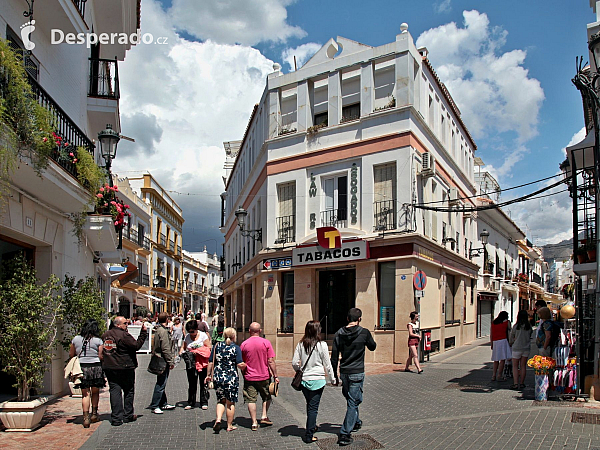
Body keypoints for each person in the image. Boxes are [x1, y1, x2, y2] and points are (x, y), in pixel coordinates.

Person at [331, 308, 377, 446]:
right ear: (359, 319)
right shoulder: (364, 332)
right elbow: (373, 347)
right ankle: (345, 433)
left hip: (344, 371)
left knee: (353, 399)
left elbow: (334, 357)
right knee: (353, 401)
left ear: (347, 318)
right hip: (357, 372)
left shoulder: (339, 333)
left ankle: (356, 421)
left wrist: (334, 376)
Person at [292, 320, 336, 444]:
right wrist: (332, 379)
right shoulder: (322, 345)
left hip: (305, 379)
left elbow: (294, 362)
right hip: (318, 380)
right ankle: (309, 434)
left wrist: (300, 371)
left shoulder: (301, 344)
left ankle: (312, 425)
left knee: (310, 405)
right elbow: (328, 364)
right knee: (313, 408)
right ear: (317, 331)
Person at [102, 316, 148, 426]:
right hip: (125, 366)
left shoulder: (105, 335)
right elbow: (136, 345)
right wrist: (143, 334)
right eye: (125, 323)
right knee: (128, 391)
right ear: (118, 325)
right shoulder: (123, 335)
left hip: (110, 366)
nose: (127, 325)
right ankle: (127, 415)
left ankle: (116, 418)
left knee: (114, 391)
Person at [205, 328, 246, 432]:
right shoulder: (235, 348)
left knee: (220, 400)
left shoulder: (216, 347)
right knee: (230, 403)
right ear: (234, 336)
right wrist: (245, 366)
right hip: (231, 378)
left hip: (218, 377)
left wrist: (208, 375)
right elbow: (239, 364)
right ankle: (229, 425)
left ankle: (218, 419)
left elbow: (210, 362)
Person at [240, 322, 279, 431]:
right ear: (260, 331)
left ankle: (253, 422)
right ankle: (264, 416)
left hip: (249, 376)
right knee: (266, 396)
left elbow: (242, 362)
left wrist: (243, 373)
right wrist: (275, 375)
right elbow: (271, 361)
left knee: (251, 399)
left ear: (249, 331)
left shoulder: (244, 344)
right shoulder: (266, 343)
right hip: (264, 376)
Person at [70, 319, 105, 428]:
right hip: (95, 367)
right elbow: (101, 356)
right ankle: (94, 414)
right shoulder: (98, 340)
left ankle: (86, 418)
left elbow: (72, 354)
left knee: (85, 394)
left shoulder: (76, 339)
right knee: (95, 392)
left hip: (82, 368)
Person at [180, 319, 211, 410]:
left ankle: (204, 402)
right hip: (191, 363)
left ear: (196, 329)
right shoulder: (187, 337)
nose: (191, 333)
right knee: (192, 383)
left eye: (192, 331)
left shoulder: (203, 335)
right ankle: (191, 402)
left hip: (202, 363)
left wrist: (198, 351)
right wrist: (181, 352)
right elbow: (184, 347)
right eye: (189, 332)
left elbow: (208, 347)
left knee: (203, 382)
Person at [149, 312, 176, 414]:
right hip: (162, 360)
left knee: (162, 382)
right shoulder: (163, 331)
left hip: (159, 358)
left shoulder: (158, 330)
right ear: (167, 319)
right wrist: (170, 361)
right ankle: (155, 405)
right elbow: (165, 348)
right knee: (161, 383)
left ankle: (163, 403)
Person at [509, 310, 533, 389]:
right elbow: (530, 335)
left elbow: (511, 337)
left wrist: (511, 342)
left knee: (515, 366)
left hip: (516, 348)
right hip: (526, 348)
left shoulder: (516, 326)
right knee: (523, 366)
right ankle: (522, 383)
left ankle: (515, 383)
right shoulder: (529, 326)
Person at [491, 311, 512, 381]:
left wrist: (491, 344)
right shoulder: (507, 322)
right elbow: (510, 330)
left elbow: (491, 334)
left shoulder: (494, 323)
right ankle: (499, 375)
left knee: (496, 359)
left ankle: (493, 375)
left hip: (495, 341)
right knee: (502, 359)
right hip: (503, 340)